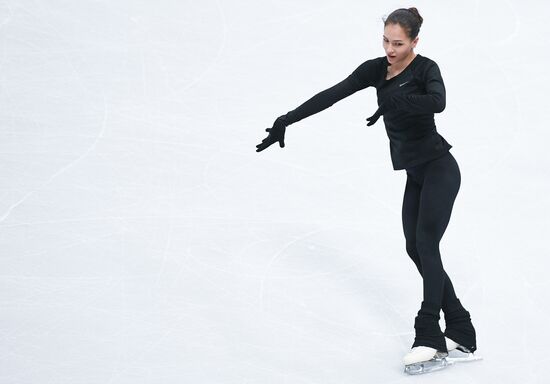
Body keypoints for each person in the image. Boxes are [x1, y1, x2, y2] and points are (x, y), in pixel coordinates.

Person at [255, 7, 479, 374]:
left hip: (440, 169)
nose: (391, 49)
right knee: (414, 247)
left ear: (415, 42)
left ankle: (428, 335)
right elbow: (333, 94)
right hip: (416, 174)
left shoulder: (426, 69)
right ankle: (461, 327)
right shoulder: (376, 69)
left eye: (399, 43)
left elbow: (437, 102)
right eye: (386, 41)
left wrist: (396, 100)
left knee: (426, 244)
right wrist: (287, 119)